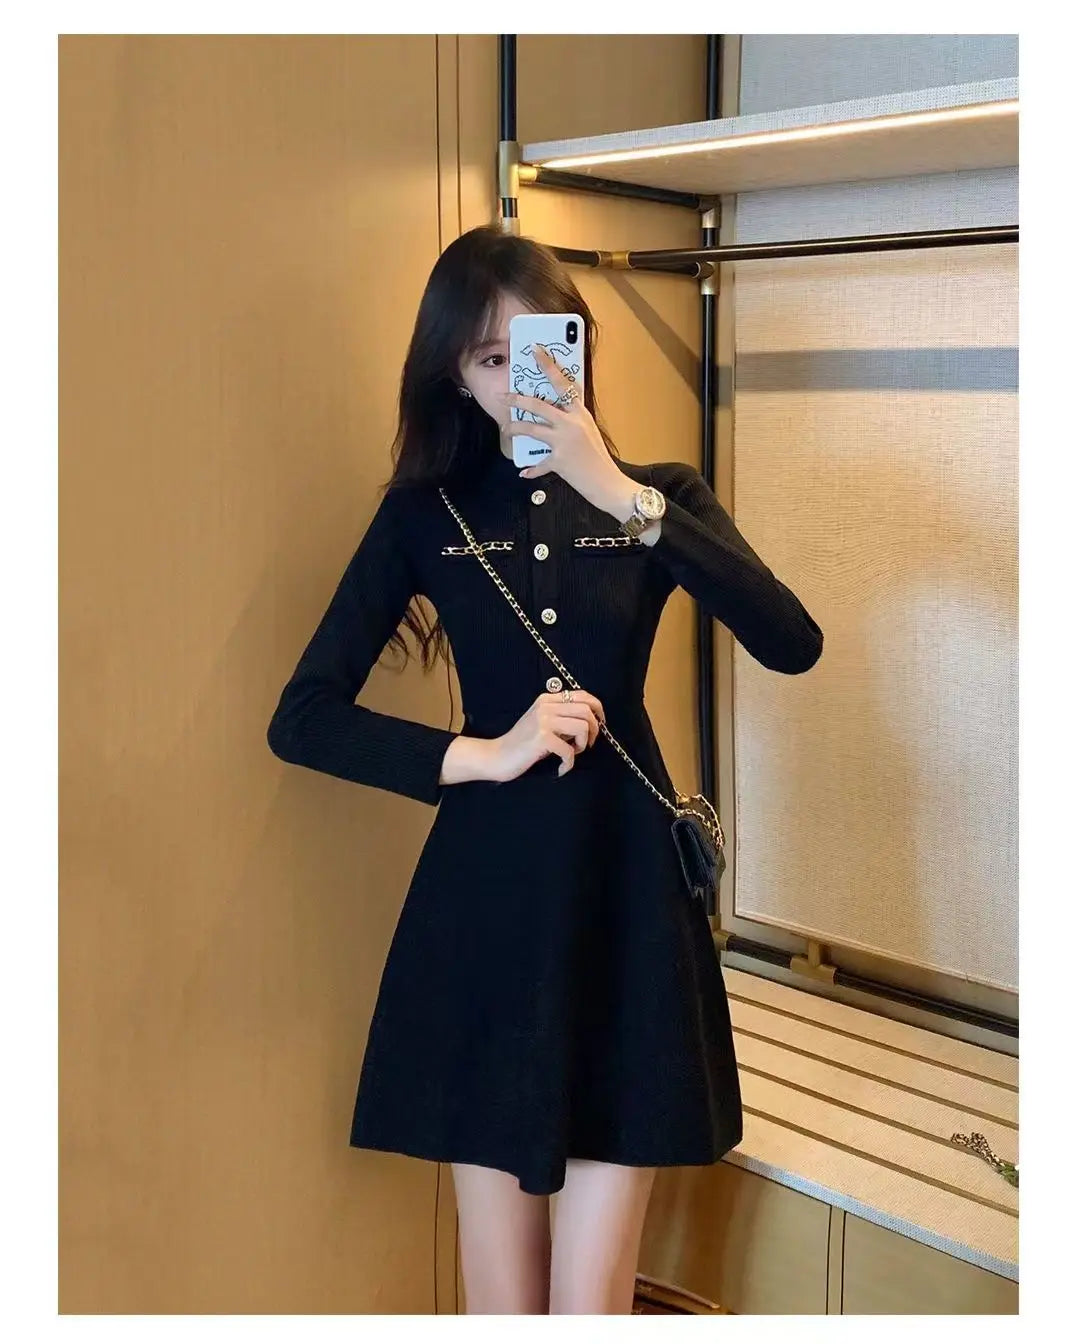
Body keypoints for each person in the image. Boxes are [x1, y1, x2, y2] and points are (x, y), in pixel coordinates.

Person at [266, 224, 824, 1313]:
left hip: (630, 907)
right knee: (502, 1302)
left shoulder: (655, 494)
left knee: (591, 1301)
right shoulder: (423, 514)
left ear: (576, 348)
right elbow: (305, 717)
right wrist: (481, 752)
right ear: (454, 374)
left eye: (539, 345)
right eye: (489, 356)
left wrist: (611, 486)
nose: (516, 375)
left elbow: (790, 641)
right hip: (483, 911)